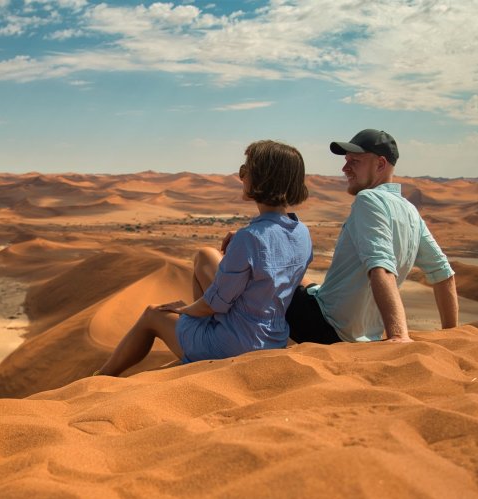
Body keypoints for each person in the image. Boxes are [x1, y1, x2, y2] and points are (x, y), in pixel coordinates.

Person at [97, 140, 313, 376]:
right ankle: (196, 344)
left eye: (245, 171)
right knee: (204, 255)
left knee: (153, 314)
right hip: (273, 340)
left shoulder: (249, 239)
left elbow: (214, 304)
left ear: (262, 179)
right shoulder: (301, 233)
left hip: (233, 347)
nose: (241, 177)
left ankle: (100, 378)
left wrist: (184, 310)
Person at [286, 128, 458, 344]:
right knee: (301, 278)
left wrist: (398, 336)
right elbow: (443, 273)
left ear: (380, 164)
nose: (344, 168)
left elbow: (382, 268)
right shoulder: (409, 210)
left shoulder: (368, 199)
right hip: (362, 334)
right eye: (346, 161)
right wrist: (452, 335)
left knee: (261, 275)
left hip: (327, 328)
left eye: (354, 161)